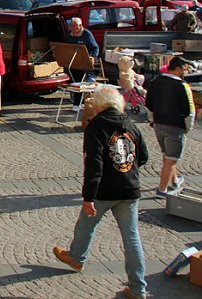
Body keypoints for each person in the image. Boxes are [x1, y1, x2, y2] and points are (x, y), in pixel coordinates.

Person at [53, 85, 149, 299]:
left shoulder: (97, 126)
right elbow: (143, 156)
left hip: (104, 191)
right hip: (130, 188)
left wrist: (88, 197)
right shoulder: (131, 124)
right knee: (132, 238)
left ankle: (77, 257)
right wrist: (125, 169)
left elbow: (94, 164)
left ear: (98, 105)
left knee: (86, 224)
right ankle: (138, 288)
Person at [145, 56, 201, 197]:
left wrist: (152, 120)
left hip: (158, 124)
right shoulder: (183, 86)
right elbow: (190, 110)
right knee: (171, 159)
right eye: (184, 69)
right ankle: (162, 190)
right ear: (177, 69)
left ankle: (175, 180)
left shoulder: (155, 82)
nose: (185, 72)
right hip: (175, 126)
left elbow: (148, 104)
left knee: (167, 155)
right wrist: (188, 127)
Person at [65, 17, 99, 112]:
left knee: (80, 82)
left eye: (75, 27)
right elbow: (66, 46)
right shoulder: (69, 35)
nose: (73, 29)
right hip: (73, 63)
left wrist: (92, 56)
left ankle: (76, 104)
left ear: (80, 26)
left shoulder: (87, 34)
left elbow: (95, 48)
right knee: (72, 81)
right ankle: (75, 100)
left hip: (84, 64)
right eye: (71, 27)